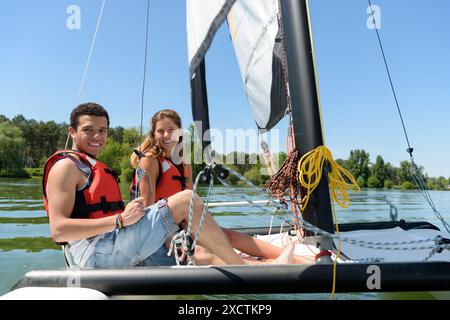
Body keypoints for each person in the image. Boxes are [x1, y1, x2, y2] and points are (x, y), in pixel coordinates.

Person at [43, 102, 295, 268]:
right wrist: (120, 221)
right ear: (72, 132)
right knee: (187, 203)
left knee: (207, 249)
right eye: (89, 130)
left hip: (114, 242)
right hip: (94, 256)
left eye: (103, 130)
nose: (98, 137)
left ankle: (272, 265)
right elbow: (59, 231)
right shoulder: (67, 167)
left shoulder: (177, 160)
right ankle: (247, 271)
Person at [129, 109, 312, 265]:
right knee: (204, 253)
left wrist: (200, 231)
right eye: (161, 131)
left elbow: (192, 207)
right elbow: (147, 210)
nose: (166, 135)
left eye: (171, 130)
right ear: (153, 134)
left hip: (181, 225)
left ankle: (297, 260)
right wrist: (172, 238)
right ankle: (267, 266)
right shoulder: (149, 161)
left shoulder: (185, 163)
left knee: (226, 237)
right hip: (158, 231)